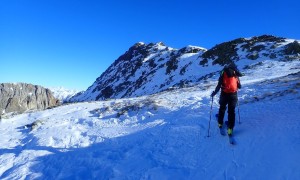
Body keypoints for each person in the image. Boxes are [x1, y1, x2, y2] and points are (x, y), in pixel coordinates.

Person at [211, 63, 243, 136]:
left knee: (222, 108)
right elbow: (240, 86)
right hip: (233, 95)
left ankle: (220, 123)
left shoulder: (223, 73)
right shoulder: (236, 73)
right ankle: (230, 129)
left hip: (224, 94)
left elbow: (219, 85)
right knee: (231, 111)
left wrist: (214, 93)